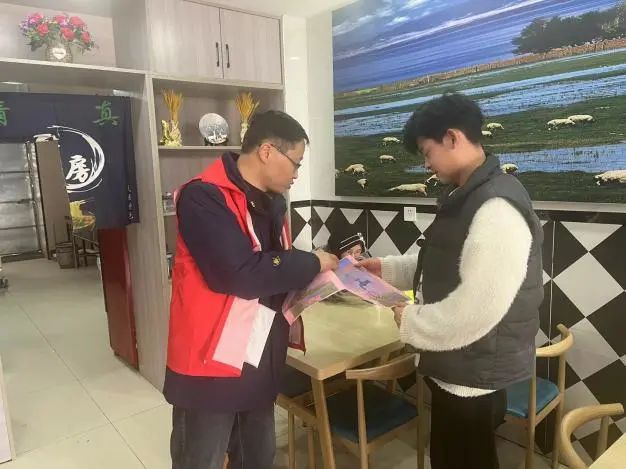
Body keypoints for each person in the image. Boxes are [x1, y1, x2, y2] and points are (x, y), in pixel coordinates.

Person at [360, 93, 543, 469]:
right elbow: (444, 262)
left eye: (427, 152)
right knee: (448, 456)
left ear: (452, 137)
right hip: (460, 366)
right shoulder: (466, 195)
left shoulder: (496, 207)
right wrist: (385, 268)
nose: (426, 164)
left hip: (473, 374)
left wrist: (411, 320)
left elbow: (477, 308)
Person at [164, 110, 339, 469]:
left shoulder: (270, 202)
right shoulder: (204, 196)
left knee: (257, 456)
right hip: (210, 360)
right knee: (201, 458)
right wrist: (312, 262)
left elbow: (274, 266)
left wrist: (326, 273)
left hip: (258, 353)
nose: (297, 173)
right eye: (296, 162)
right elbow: (239, 274)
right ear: (267, 151)